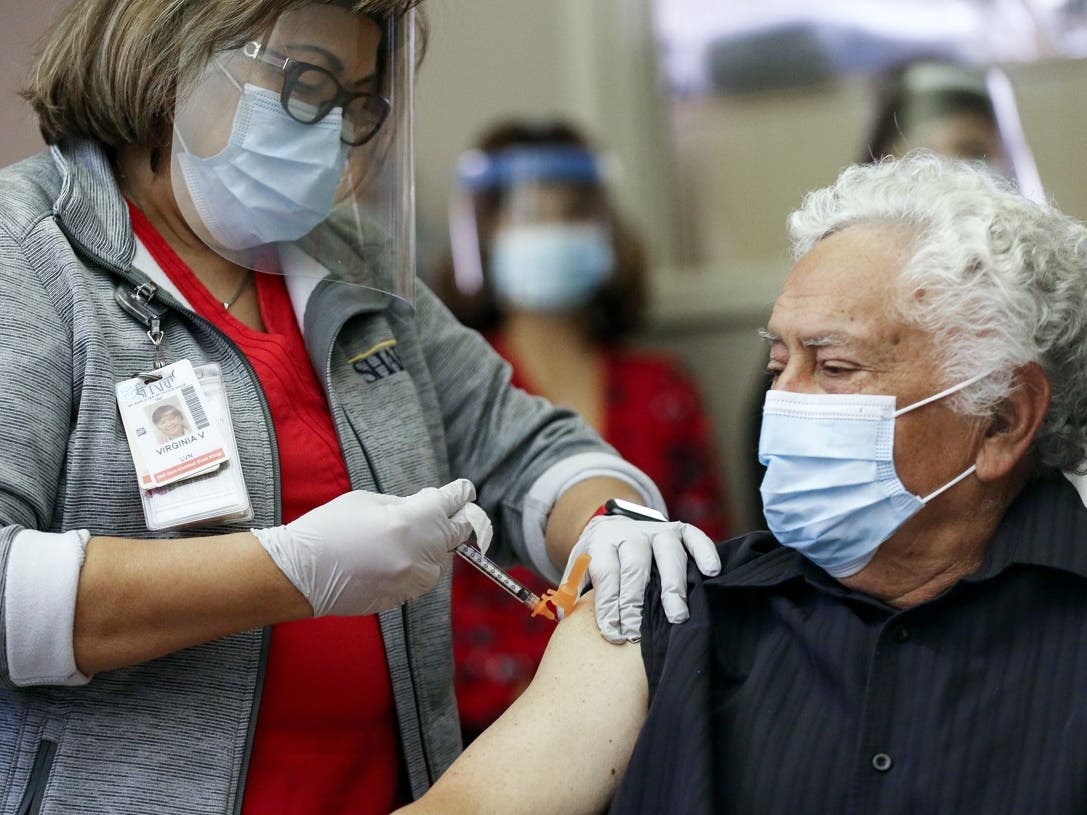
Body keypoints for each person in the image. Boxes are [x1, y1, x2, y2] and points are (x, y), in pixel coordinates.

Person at [0, 2, 722, 812]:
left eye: (356, 102)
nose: (330, 131)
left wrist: (607, 518)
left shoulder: (352, 261)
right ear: (173, 55)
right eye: (306, 85)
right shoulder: (29, 254)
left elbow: (524, 444)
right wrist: (289, 571)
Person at [393, 150, 1087, 814]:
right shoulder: (673, 613)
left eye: (835, 367)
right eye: (778, 361)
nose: (782, 401)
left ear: (1000, 417)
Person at [435, 118, 733, 741]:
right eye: (527, 214)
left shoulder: (661, 389)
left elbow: (711, 557)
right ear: (481, 234)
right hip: (484, 726)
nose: (550, 231)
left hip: (653, 706)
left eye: (570, 212)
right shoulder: (452, 389)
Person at [744, 58, 1030, 528]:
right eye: (922, 157)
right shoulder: (821, 314)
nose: (949, 177)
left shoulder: (1047, 310)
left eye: (972, 151)